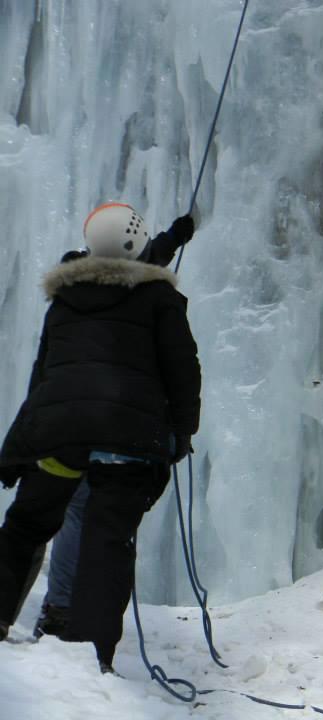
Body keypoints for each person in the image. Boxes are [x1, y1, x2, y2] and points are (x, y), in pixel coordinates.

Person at [0, 202, 201, 673]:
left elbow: (44, 375)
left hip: (59, 437)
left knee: (27, 525)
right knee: (108, 535)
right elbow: (182, 370)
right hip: (124, 443)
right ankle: (87, 653)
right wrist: (180, 434)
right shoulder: (158, 299)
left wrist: (20, 446)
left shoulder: (67, 296)